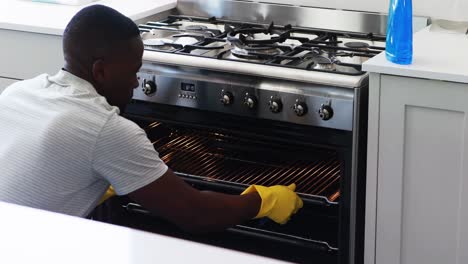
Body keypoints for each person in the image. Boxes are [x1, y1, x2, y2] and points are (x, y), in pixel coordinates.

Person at [0, 5, 303, 233]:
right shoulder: (105, 128)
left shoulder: (18, 93)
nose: (135, 83)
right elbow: (196, 214)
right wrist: (261, 202)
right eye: (133, 70)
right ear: (101, 71)